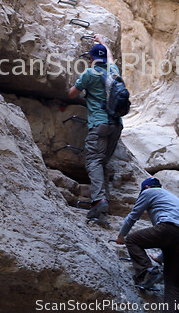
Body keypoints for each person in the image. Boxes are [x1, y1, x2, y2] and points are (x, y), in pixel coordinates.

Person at [116, 177, 179, 313]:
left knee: (132, 240)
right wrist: (160, 258)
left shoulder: (148, 192)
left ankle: (148, 271)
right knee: (173, 286)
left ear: (146, 188)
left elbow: (133, 215)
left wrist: (121, 235)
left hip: (169, 228)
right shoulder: (174, 198)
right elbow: (175, 241)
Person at [68, 34, 123, 219]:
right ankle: (104, 202)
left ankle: (99, 201)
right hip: (116, 124)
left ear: (91, 59)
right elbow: (110, 57)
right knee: (102, 162)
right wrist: (102, 41)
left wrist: (80, 85)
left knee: (93, 161)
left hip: (99, 124)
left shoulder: (90, 74)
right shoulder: (114, 70)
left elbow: (71, 94)